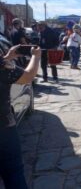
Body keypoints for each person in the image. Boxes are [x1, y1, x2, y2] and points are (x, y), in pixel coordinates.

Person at [0, 44, 41, 189]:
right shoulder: (4, 67)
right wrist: (36, 56)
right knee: (13, 172)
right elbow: (28, 76)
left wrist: (7, 57)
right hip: (3, 129)